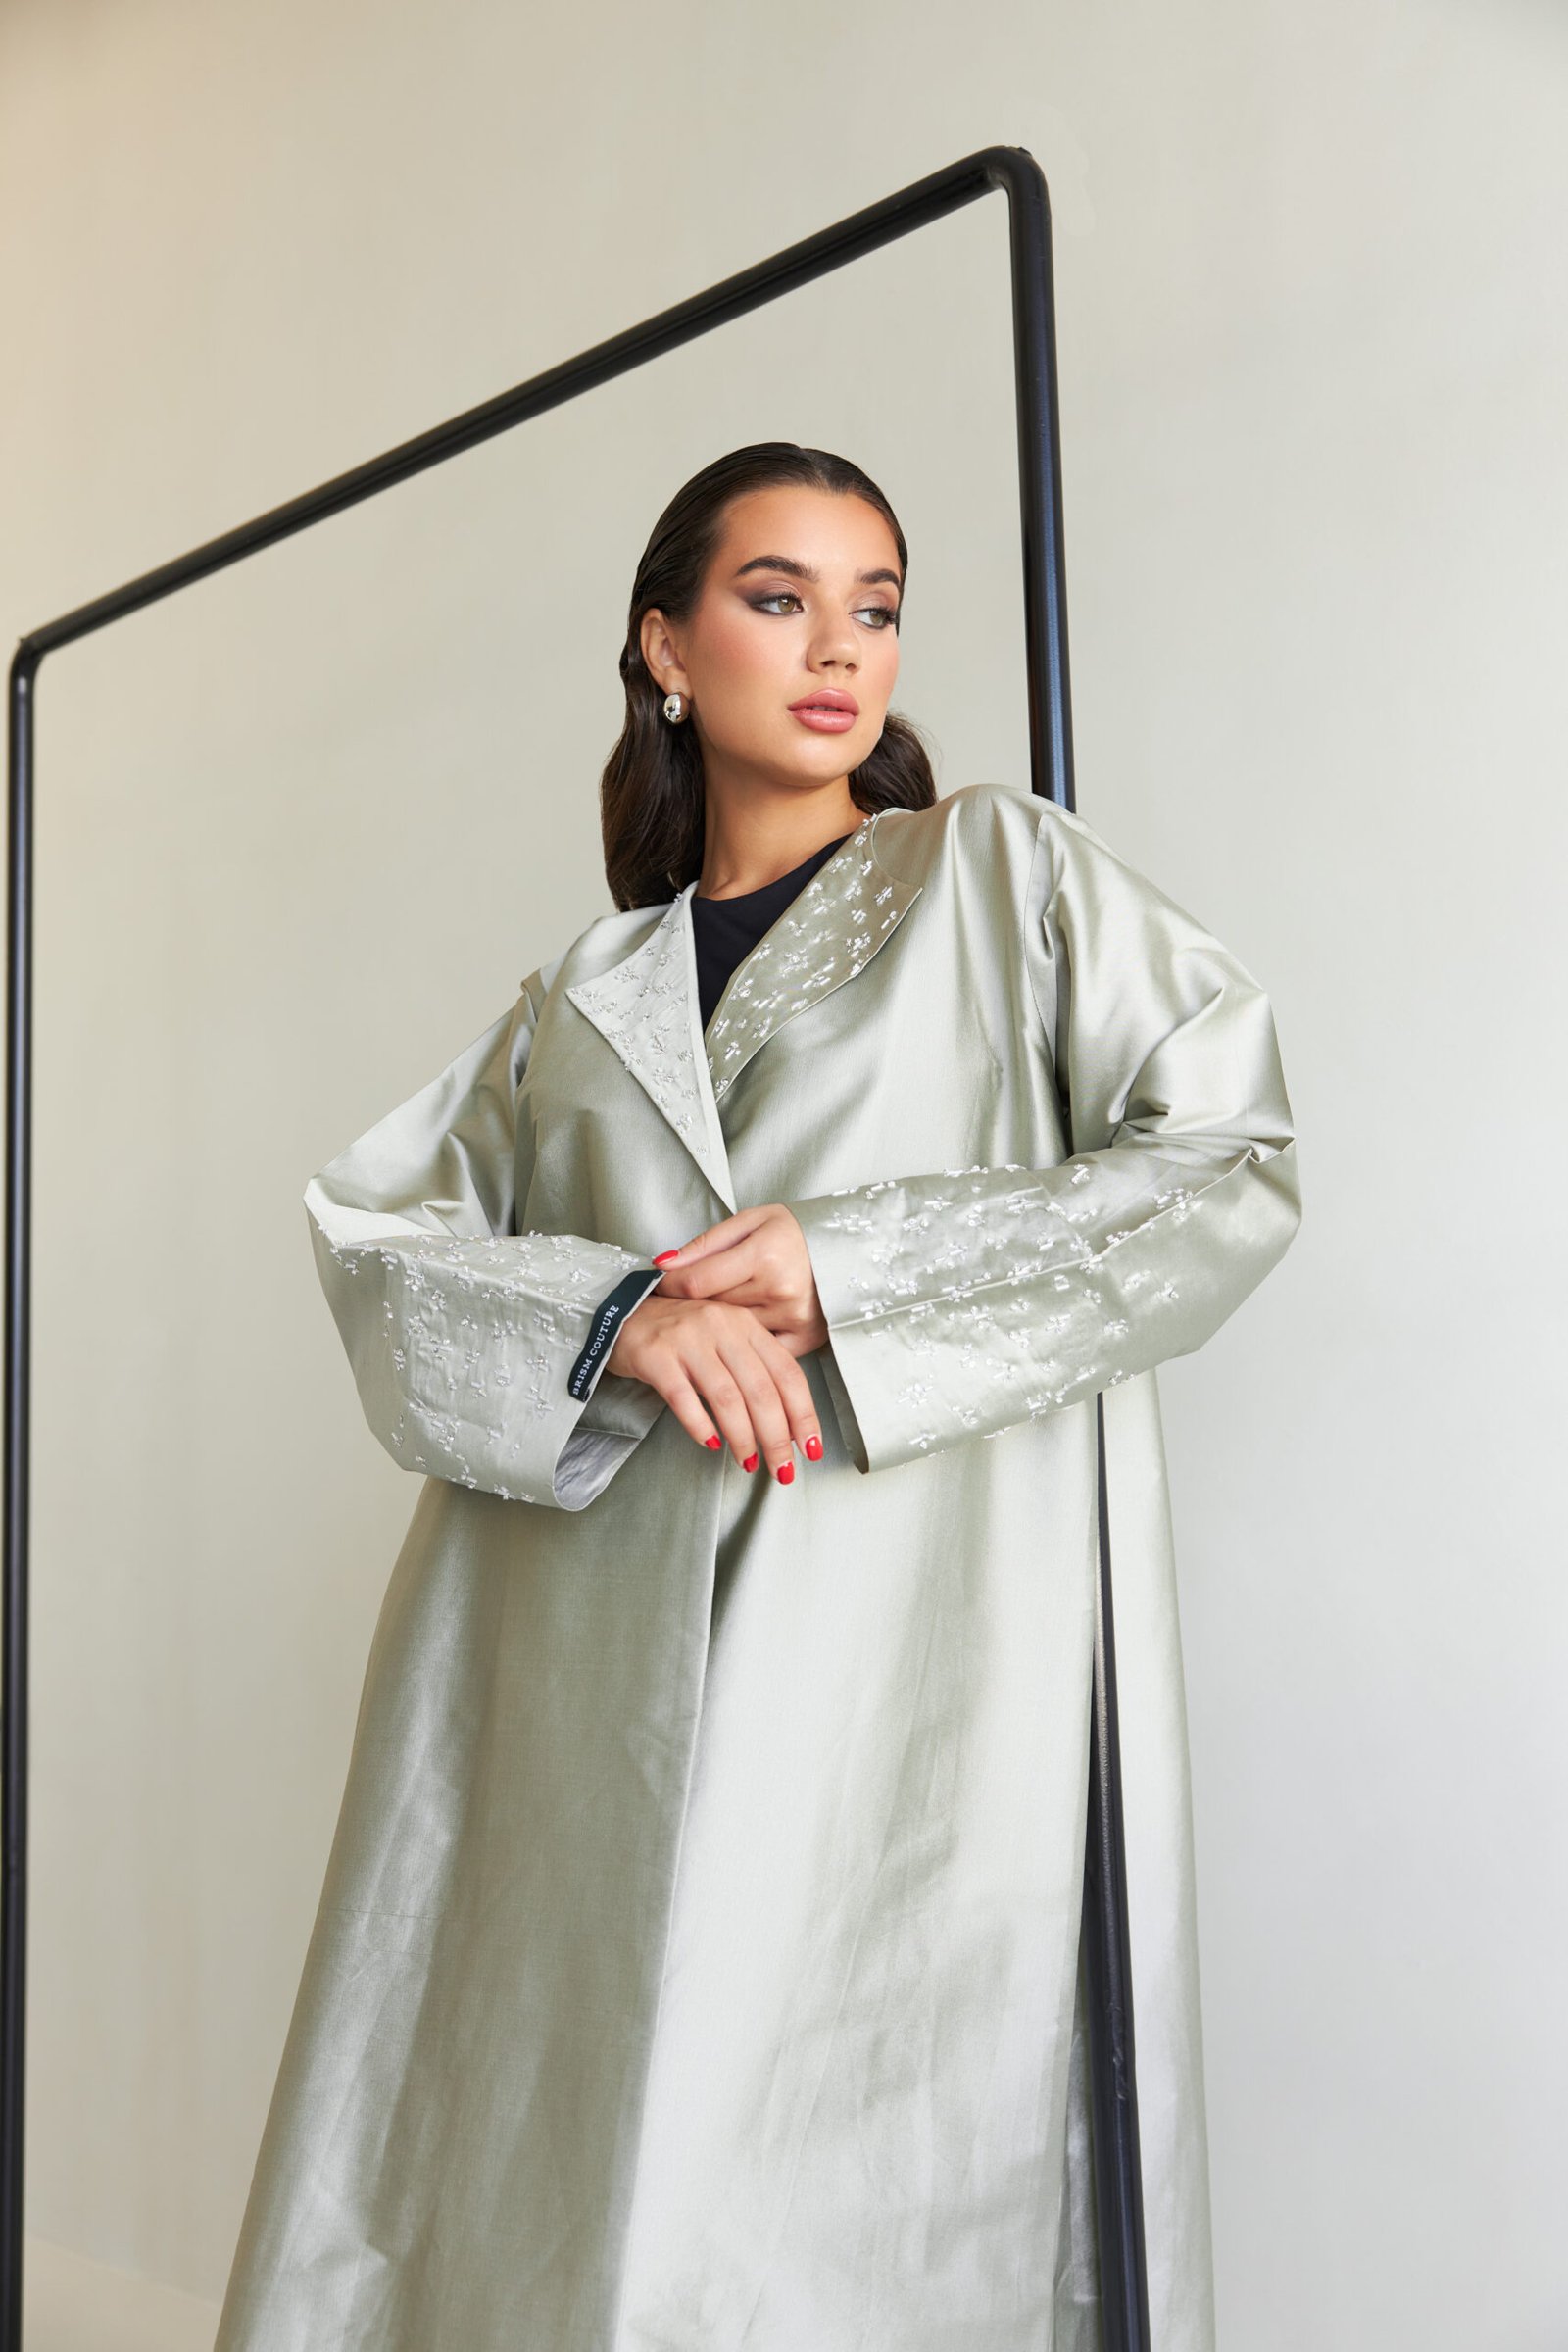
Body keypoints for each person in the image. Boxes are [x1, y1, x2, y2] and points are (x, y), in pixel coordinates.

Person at [215, 442, 1301, 2352]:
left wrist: (849, 1263)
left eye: (874, 607)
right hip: (570, 1683)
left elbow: (1228, 1159)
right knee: (550, 2169)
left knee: (828, 2178)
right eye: (777, 597)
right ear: (665, 645)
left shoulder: (997, 878)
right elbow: (376, 1239)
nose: (837, 649)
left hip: (893, 1654)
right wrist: (618, 1312)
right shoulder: (580, 999)